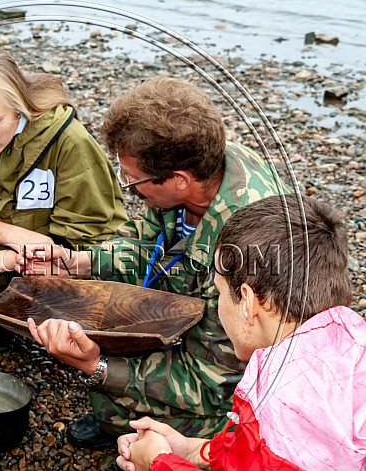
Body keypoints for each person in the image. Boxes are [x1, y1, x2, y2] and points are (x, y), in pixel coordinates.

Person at [114, 194, 366, 471]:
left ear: (248, 302)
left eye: (219, 293)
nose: (218, 306)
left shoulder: (283, 401)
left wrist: (160, 465)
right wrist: (190, 451)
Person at [24, 77, 284, 447]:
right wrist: (81, 262)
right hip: (197, 319)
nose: (127, 186)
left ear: (179, 180)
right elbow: (150, 242)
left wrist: (96, 367)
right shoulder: (208, 166)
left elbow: (210, 380)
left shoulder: (242, 255)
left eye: (133, 180)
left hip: (236, 378)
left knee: (120, 412)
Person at [0, 47, 128, 349]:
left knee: (74, 281)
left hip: (76, 254)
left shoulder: (69, 141)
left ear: (19, 107)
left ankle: (66, 320)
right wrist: (14, 235)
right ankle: (11, 318)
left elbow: (81, 241)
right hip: (23, 241)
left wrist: (4, 259)